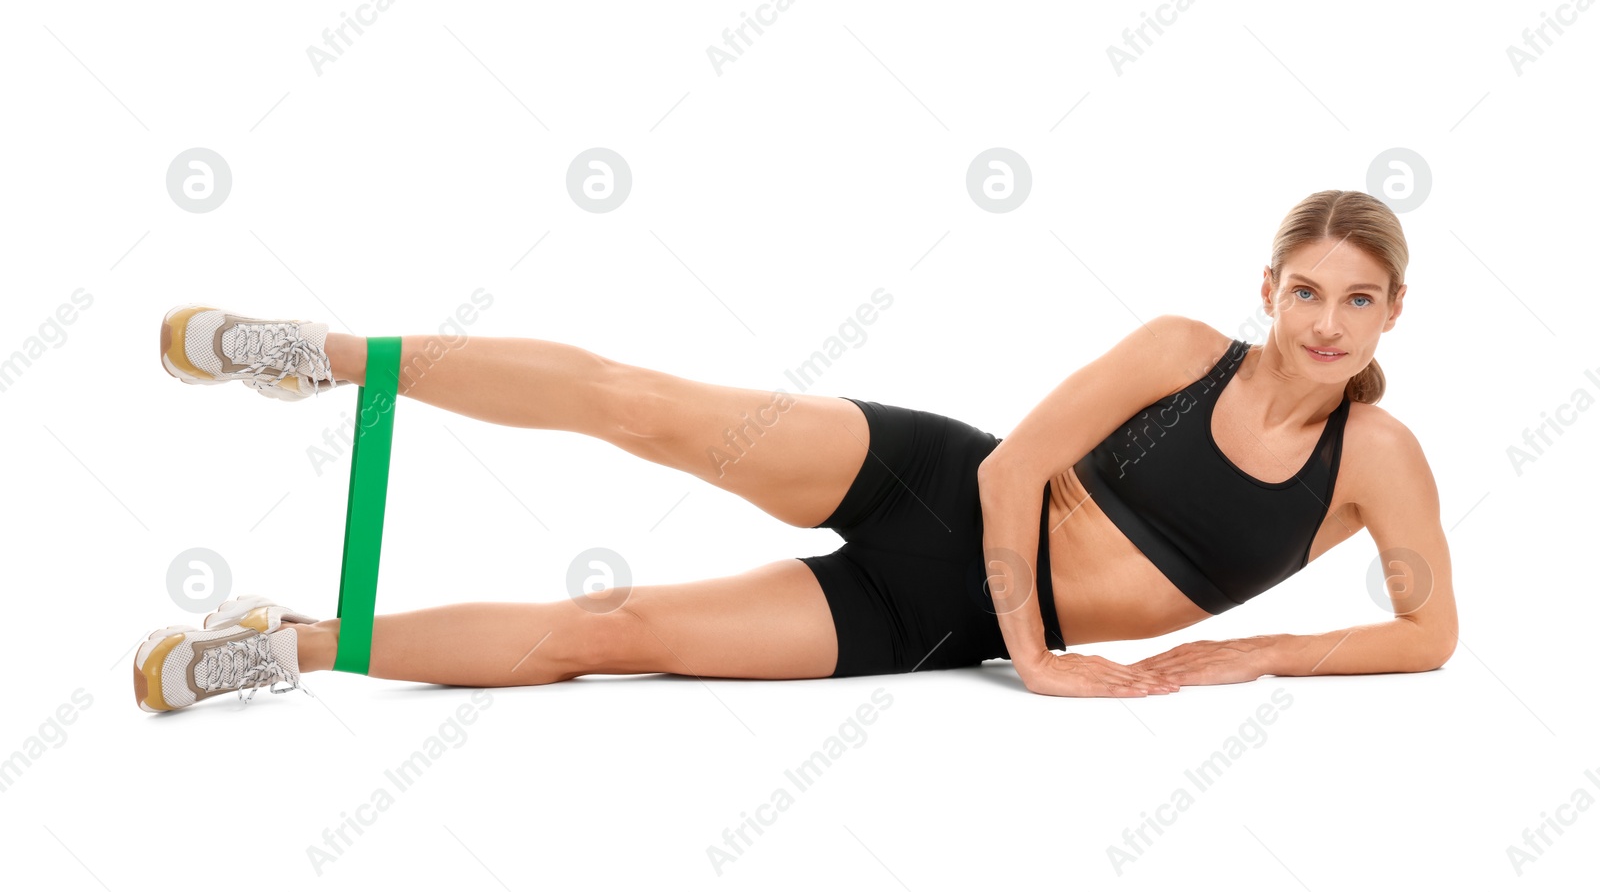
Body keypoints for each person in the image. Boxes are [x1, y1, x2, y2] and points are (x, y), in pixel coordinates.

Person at [133, 189, 1457, 712]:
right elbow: (1008, 473)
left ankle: (283, 643)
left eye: (1358, 298)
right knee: (638, 401)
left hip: (920, 614)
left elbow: (1429, 630)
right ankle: (327, 356)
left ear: (1390, 310)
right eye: (1306, 290)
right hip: (937, 482)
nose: (1327, 322)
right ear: (1269, 287)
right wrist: (1041, 655)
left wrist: (1259, 646)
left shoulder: (1379, 459)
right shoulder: (1183, 351)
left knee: (612, 627)